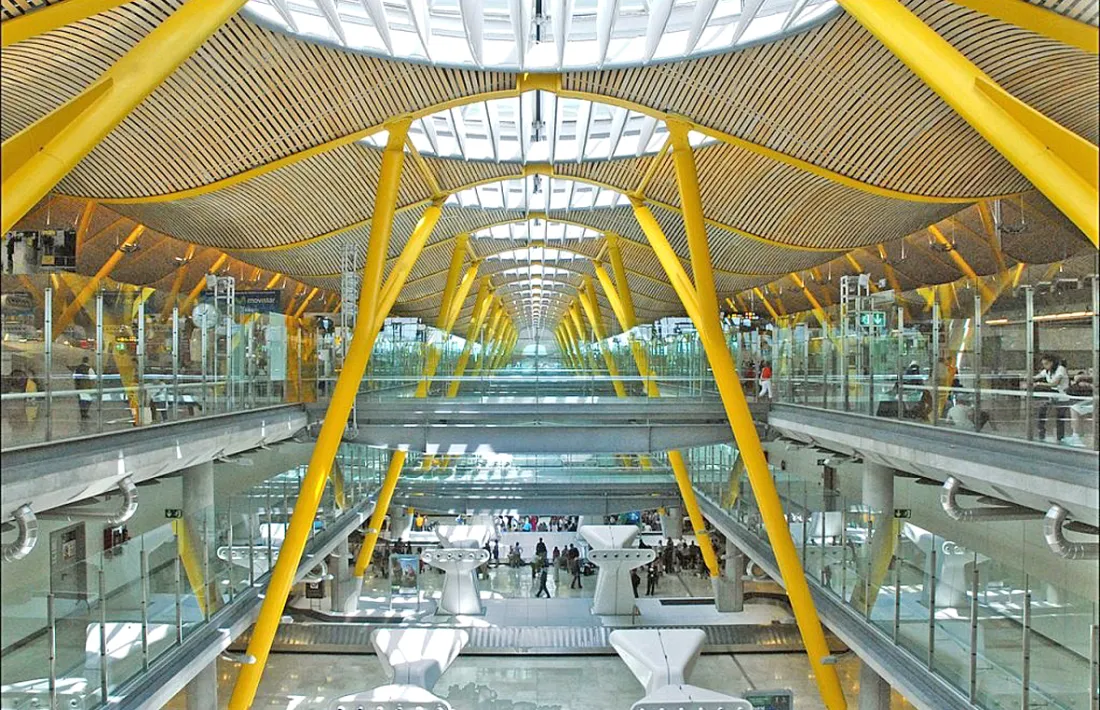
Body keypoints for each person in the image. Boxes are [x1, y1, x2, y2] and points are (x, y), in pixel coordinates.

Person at [1034, 354, 1070, 442]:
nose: (1045, 366)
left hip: (1062, 396)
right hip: (1052, 395)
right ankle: (1041, 432)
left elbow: (1055, 383)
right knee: (1041, 411)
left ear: (1052, 363)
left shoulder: (1060, 369)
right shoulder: (1047, 371)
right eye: (1043, 364)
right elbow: (1037, 376)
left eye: (1046, 364)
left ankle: (1060, 437)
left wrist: (1040, 384)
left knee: (1060, 417)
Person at [73, 356, 95, 425]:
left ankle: (82, 412)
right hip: (86, 387)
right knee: (88, 400)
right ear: (88, 361)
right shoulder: (89, 368)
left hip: (78, 386)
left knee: (81, 400)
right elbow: (93, 377)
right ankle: (85, 412)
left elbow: (74, 377)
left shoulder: (77, 368)